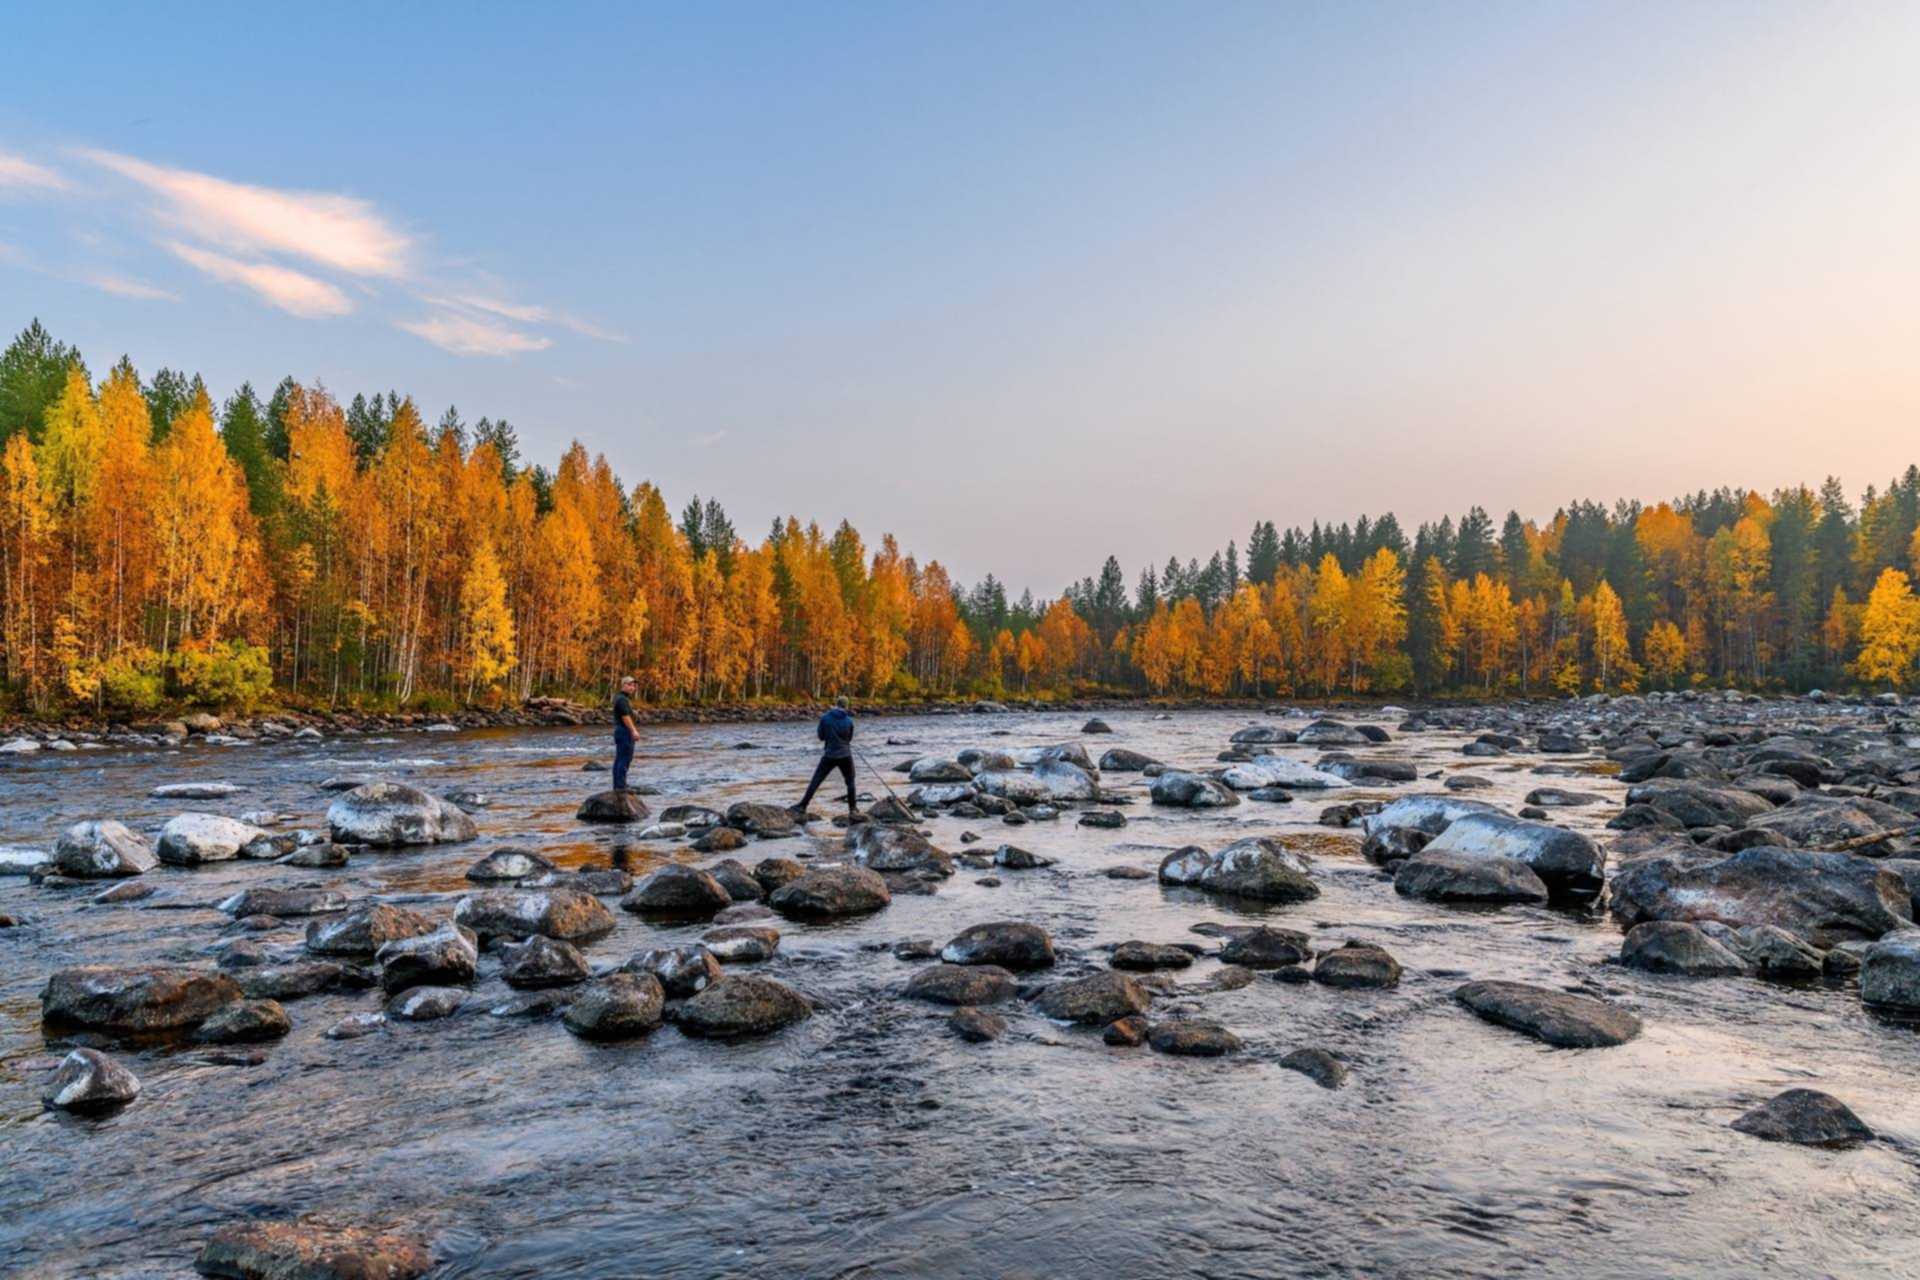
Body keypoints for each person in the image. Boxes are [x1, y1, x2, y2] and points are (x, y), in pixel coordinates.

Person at [792, 696, 857, 820]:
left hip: (830, 755)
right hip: (845, 755)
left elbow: (821, 737)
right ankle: (853, 809)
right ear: (846, 706)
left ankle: (803, 805)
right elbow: (849, 739)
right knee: (850, 782)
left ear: (836, 704)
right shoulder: (849, 721)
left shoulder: (825, 718)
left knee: (816, 780)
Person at [612, 676, 639, 792]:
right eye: (629, 685)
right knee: (625, 759)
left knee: (620, 759)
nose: (632, 687)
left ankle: (619, 785)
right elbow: (625, 717)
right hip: (624, 731)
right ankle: (621, 786)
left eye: (633, 685)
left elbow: (625, 713)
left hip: (620, 730)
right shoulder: (622, 699)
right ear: (623, 685)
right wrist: (633, 730)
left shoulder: (620, 698)